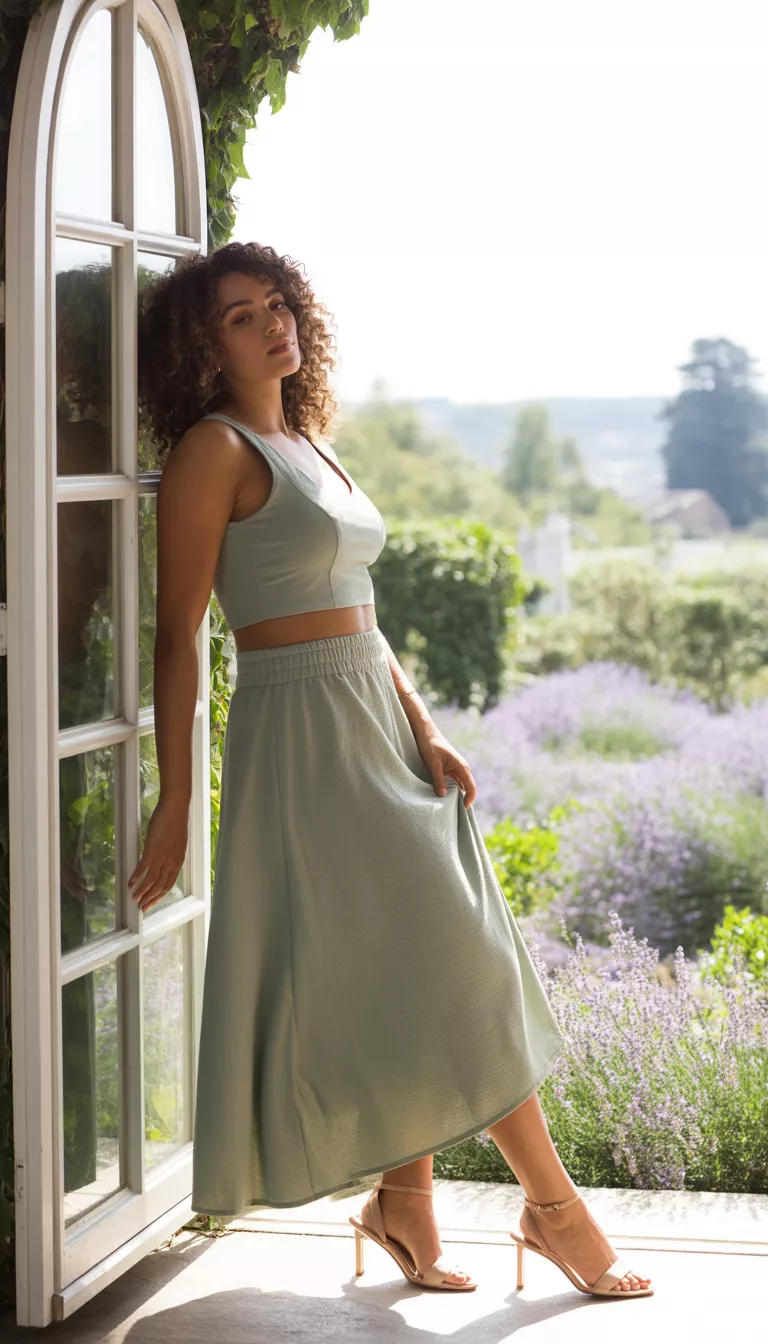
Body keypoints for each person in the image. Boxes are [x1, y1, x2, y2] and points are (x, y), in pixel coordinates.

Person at [128, 240, 652, 1299]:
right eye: (240, 315)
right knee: (451, 958)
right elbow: (180, 635)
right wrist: (179, 795)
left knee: (414, 964)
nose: (272, 323)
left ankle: (404, 1205)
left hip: (374, 715)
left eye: (278, 304)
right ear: (202, 343)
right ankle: (553, 1209)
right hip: (301, 737)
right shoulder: (214, 452)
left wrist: (422, 723)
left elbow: (361, 616)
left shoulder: (313, 443)